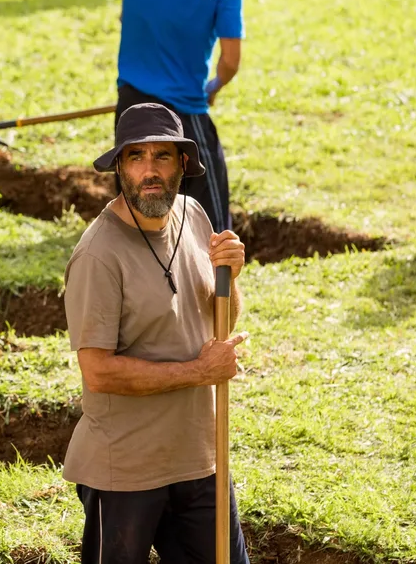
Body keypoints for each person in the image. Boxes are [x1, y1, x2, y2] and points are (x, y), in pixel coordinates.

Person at [63, 103, 250, 564]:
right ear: (120, 168)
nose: (149, 170)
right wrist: (199, 371)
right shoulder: (98, 255)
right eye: (136, 157)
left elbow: (218, 322)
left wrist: (232, 277)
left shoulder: (194, 216)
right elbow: (98, 372)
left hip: (199, 456)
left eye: (161, 156)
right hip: (124, 469)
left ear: (183, 164)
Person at [115, 0, 244, 233]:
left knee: (135, 209)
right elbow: (230, 62)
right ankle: (218, 286)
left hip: (129, 104)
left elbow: (126, 18)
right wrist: (213, 87)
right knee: (213, 225)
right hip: (183, 114)